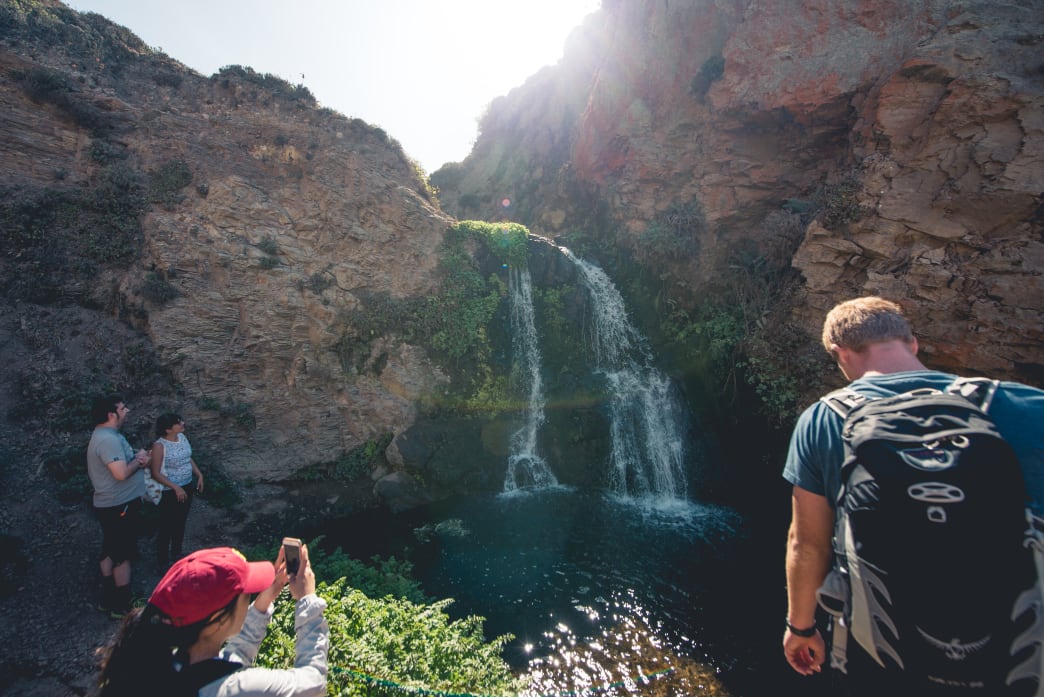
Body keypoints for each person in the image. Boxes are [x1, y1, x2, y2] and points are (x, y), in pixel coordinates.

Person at [782, 296, 1044, 694]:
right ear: (913, 343)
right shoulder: (1028, 406)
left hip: (887, 649)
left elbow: (807, 544)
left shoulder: (824, 420)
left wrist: (800, 627)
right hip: (1019, 650)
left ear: (840, 352)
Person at [96, 543, 328, 697]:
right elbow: (313, 682)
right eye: (245, 594)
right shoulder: (243, 688)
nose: (249, 598)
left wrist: (264, 600)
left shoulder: (159, 667)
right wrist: (307, 601)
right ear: (216, 621)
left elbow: (230, 661)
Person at [87, 394, 150, 616]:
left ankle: (108, 596)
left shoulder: (107, 435)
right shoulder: (108, 440)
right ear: (111, 415)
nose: (127, 411)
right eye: (123, 409)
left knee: (111, 548)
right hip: (118, 504)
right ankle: (122, 605)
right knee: (123, 553)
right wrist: (140, 461)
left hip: (111, 504)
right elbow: (121, 473)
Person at [150, 413, 204, 568]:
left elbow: (187, 458)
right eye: (178, 422)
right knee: (166, 526)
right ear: (168, 429)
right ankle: (162, 562)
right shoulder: (159, 446)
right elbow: (155, 473)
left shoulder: (182, 438)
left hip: (186, 486)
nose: (182, 423)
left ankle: (176, 553)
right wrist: (175, 488)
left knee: (180, 521)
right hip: (169, 491)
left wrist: (199, 474)